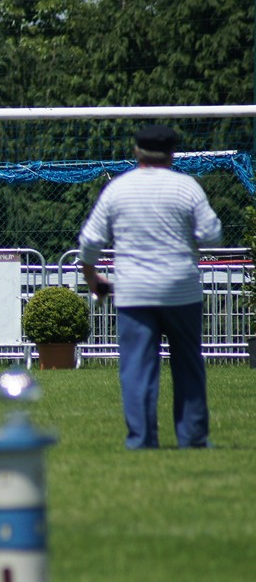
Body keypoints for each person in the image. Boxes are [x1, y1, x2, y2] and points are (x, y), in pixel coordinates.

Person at [78, 125, 223, 449]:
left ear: (137, 152)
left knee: (138, 369)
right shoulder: (187, 188)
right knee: (188, 365)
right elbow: (212, 235)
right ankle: (193, 437)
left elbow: (90, 240)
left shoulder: (118, 189)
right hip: (181, 289)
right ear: (172, 154)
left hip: (134, 292)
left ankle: (142, 440)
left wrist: (92, 277)